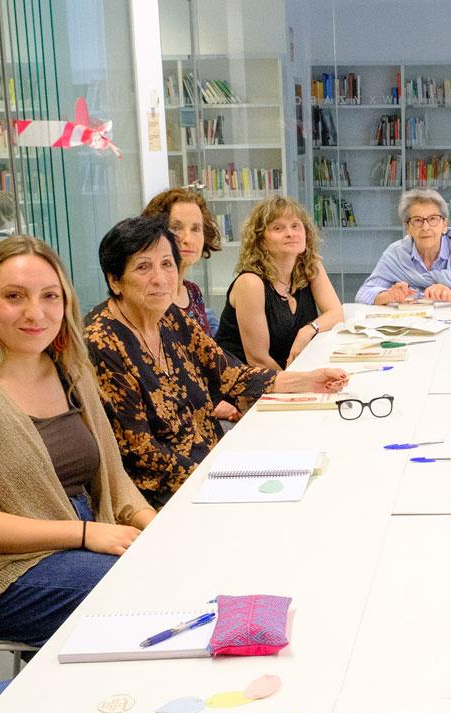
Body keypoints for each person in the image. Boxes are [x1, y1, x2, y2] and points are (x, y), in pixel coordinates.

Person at [0, 235, 153, 648]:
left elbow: (115, 477)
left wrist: (159, 528)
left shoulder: (69, 370)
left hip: (88, 536)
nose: (35, 312)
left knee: (181, 565)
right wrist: (80, 533)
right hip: (7, 573)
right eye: (14, 296)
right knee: (140, 594)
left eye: (49, 296)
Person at [86, 215, 348, 508]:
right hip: (167, 494)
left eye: (167, 264)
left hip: (214, 465)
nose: (160, 278)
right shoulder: (102, 340)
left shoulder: (169, 316)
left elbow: (230, 374)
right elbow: (140, 451)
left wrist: (307, 380)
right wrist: (223, 479)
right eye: (143, 267)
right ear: (114, 279)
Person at [213, 195, 346, 371]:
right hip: (244, 384)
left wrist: (308, 330)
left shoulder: (310, 267)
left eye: (295, 226)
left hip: (287, 375)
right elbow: (258, 360)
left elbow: (337, 314)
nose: (290, 233)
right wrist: (299, 386)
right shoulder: (250, 283)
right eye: (278, 228)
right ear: (260, 241)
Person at [355, 188, 451, 305]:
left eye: (432, 219)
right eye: (418, 220)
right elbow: (363, 294)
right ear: (408, 227)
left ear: (444, 224)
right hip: (408, 325)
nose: (426, 227)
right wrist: (388, 295)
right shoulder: (395, 253)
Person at [143, 186, 223, 335]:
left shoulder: (193, 292)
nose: (188, 239)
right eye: (176, 227)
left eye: (195, 229)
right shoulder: (152, 293)